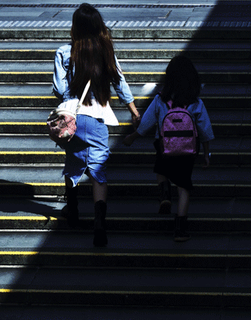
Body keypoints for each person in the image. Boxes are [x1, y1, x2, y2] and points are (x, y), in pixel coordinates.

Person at [53, 2, 140, 247]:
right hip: (99, 116)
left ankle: (73, 211)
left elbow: (60, 90)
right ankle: (100, 222)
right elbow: (120, 82)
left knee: (72, 164)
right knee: (98, 172)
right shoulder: (105, 52)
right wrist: (134, 111)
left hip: (73, 118)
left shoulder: (63, 53)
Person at [123, 55, 214, 242]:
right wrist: (206, 154)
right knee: (184, 187)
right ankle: (180, 229)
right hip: (188, 151)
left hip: (164, 146)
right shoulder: (196, 103)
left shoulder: (160, 100)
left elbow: (146, 123)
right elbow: (205, 130)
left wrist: (132, 137)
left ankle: (164, 192)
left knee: (161, 168)